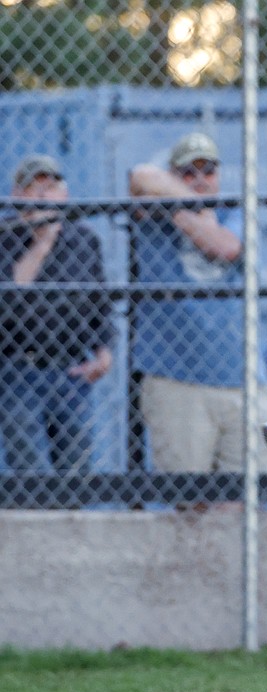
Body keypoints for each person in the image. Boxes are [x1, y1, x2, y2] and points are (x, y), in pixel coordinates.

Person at [128, 132, 267, 474]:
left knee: (242, 497)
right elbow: (140, 176)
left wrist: (186, 212)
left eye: (207, 171)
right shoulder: (154, 212)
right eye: (187, 173)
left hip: (241, 377)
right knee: (189, 499)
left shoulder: (234, 212)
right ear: (174, 175)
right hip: (176, 376)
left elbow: (224, 246)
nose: (199, 180)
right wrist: (190, 208)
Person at [0, 154, 113, 473]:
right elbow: (8, 298)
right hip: (19, 369)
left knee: (76, 472)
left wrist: (104, 352)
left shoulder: (83, 239)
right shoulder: (4, 236)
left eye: (49, 187)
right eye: (32, 188)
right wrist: (41, 244)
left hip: (71, 369)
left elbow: (99, 302)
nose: (41, 196)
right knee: (31, 473)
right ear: (16, 196)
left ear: (63, 195)